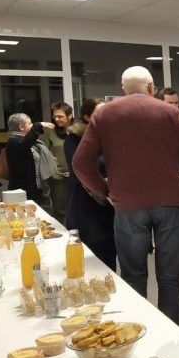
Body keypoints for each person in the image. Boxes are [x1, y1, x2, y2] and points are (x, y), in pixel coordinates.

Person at [73, 66, 179, 327]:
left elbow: (81, 163)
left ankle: (138, 336)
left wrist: (104, 190)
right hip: (170, 204)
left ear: (123, 89)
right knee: (170, 278)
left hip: (128, 204)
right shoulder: (171, 112)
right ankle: (173, 339)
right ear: (152, 87)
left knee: (133, 277)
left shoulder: (104, 114)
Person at [64, 98, 116, 270]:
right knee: (92, 260)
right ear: (87, 116)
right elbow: (83, 171)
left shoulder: (110, 137)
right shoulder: (75, 138)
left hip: (109, 205)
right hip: (86, 203)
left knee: (109, 257)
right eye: (99, 112)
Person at [6, 114, 55, 204]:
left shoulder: (24, 140)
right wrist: (38, 125)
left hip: (35, 188)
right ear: (21, 127)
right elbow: (24, 144)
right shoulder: (13, 141)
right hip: (22, 190)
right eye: (30, 123)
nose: (32, 125)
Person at [43, 102, 74, 222]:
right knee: (59, 210)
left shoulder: (78, 130)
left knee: (77, 208)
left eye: (60, 116)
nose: (57, 119)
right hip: (58, 176)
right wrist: (50, 157)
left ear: (70, 116)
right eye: (55, 116)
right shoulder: (50, 131)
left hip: (78, 176)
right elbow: (44, 151)